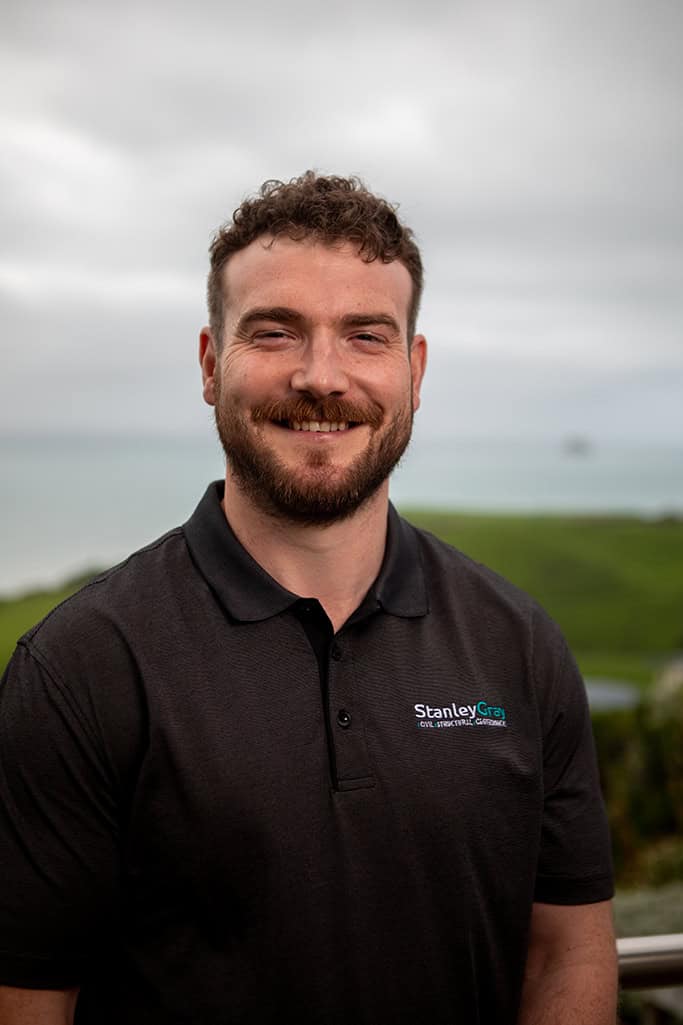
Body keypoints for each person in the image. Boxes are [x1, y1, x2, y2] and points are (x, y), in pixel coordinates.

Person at [0, 172, 618, 1024]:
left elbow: (567, 951)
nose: (320, 375)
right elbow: (28, 998)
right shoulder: (80, 667)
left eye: (364, 334)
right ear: (213, 366)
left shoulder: (518, 643)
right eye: (275, 331)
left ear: (413, 368)